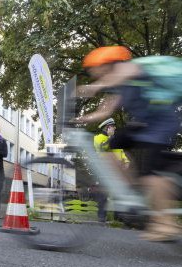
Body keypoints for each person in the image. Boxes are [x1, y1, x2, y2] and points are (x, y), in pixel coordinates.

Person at [77, 46, 181, 241]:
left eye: (94, 69)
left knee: (152, 172)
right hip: (144, 124)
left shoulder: (130, 68)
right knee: (112, 144)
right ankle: (134, 193)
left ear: (106, 65)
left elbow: (119, 76)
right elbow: (104, 112)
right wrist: (80, 119)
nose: (93, 74)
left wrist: (95, 87)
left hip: (161, 121)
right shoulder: (118, 87)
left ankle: (166, 223)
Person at [93, 118, 129, 223]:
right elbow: (102, 148)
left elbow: (121, 152)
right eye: (113, 126)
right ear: (107, 127)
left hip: (116, 171)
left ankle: (118, 217)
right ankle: (101, 217)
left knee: (118, 194)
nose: (115, 128)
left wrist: (126, 161)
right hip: (104, 169)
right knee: (103, 194)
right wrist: (110, 137)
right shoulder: (98, 138)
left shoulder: (115, 139)